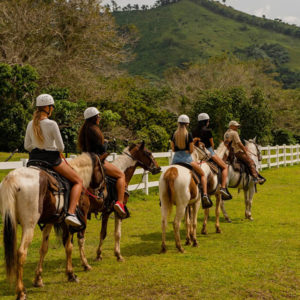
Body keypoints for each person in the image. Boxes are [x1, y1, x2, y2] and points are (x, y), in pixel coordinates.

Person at [24, 94, 83, 227]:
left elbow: (27, 146)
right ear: (47, 107)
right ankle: (71, 213)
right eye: (52, 107)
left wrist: (38, 147)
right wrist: (51, 147)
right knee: (78, 181)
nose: (52, 109)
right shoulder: (52, 124)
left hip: (33, 160)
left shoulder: (30, 124)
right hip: (51, 160)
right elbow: (61, 147)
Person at [78, 107, 127, 218]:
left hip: (85, 158)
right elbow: (101, 150)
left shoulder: (84, 130)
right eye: (98, 116)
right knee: (121, 175)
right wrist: (106, 144)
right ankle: (120, 202)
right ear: (94, 118)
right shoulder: (94, 130)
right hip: (96, 159)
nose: (99, 118)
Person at [170, 114, 211, 206]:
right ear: (187, 124)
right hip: (187, 159)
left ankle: (162, 199)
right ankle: (204, 195)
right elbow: (192, 150)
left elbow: (173, 149)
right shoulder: (188, 135)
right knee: (202, 174)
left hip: (175, 159)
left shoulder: (174, 134)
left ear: (178, 123)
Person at [193, 113, 232, 200]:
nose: (209, 122)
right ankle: (223, 188)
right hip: (208, 152)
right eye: (208, 121)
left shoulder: (194, 130)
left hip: (197, 153)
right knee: (225, 167)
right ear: (206, 121)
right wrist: (212, 151)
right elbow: (212, 144)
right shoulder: (208, 131)